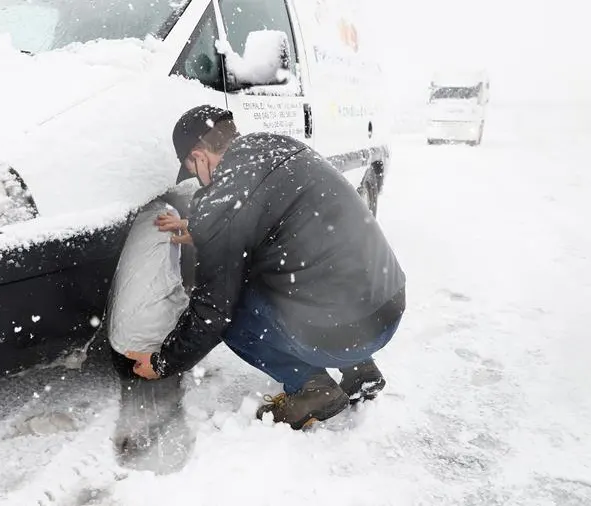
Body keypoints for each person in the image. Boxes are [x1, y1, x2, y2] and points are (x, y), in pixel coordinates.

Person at [125, 105, 406, 430]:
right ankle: (361, 371)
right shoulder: (276, 145)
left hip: (341, 334)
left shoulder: (229, 198)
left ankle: (312, 388)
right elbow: (263, 212)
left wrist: (162, 362)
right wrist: (203, 228)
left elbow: (213, 310)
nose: (196, 179)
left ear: (200, 156)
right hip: (386, 307)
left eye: (191, 169)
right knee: (314, 272)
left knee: (230, 310)